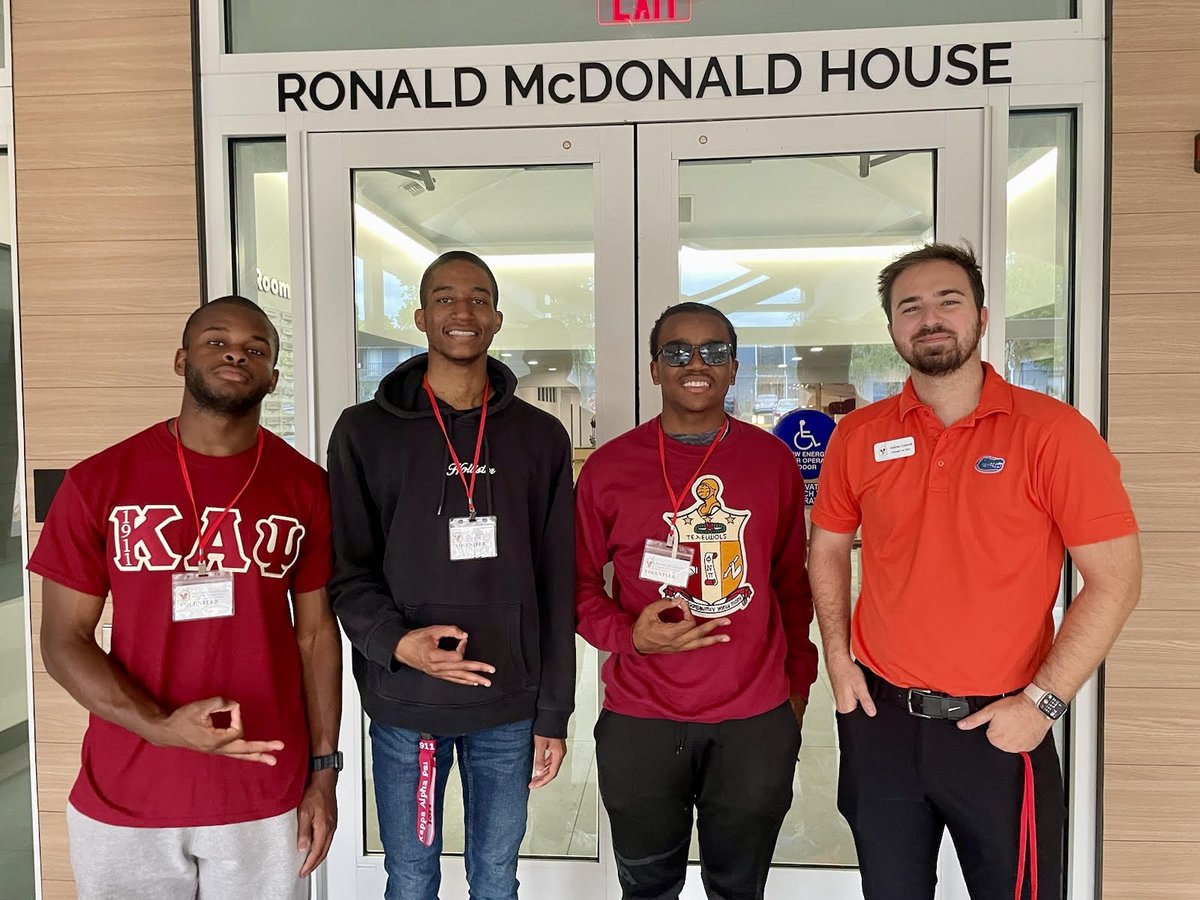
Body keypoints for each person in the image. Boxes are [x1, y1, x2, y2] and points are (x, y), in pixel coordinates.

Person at [809, 243, 1141, 900]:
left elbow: (1116, 581)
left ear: (982, 318)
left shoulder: (1053, 434)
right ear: (893, 329)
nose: (929, 318)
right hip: (881, 720)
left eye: (947, 301)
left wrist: (1044, 704)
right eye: (911, 307)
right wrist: (839, 660)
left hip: (1000, 726)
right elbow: (826, 548)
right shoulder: (859, 435)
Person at [32, 295, 342, 900]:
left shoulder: (306, 487)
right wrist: (159, 726)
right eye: (216, 341)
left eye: (256, 349)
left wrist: (324, 774)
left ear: (273, 377)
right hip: (127, 790)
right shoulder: (98, 481)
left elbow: (315, 635)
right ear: (181, 360)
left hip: (262, 786)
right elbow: (63, 640)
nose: (236, 354)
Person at [327, 250, 575, 900]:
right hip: (408, 706)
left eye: (477, 298)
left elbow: (558, 578)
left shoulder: (541, 437)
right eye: (444, 298)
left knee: (496, 878)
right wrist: (395, 643)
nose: (461, 311)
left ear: (495, 318)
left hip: (508, 705)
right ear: (420, 316)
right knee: (410, 878)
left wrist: (554, 710)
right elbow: (346, 571)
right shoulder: (363, 433)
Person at [575, 301, 818, 900]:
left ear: (734, 368)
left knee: (738, 887)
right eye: (676, 351)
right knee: (647, 886)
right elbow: (574, 587)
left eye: (713, 351)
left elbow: (793, 588)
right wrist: (629, 634)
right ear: (654, 369)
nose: (695, 363)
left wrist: (795, 693)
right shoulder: (609, 468)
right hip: (641, 720)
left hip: (753, 720)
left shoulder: (771, 463)